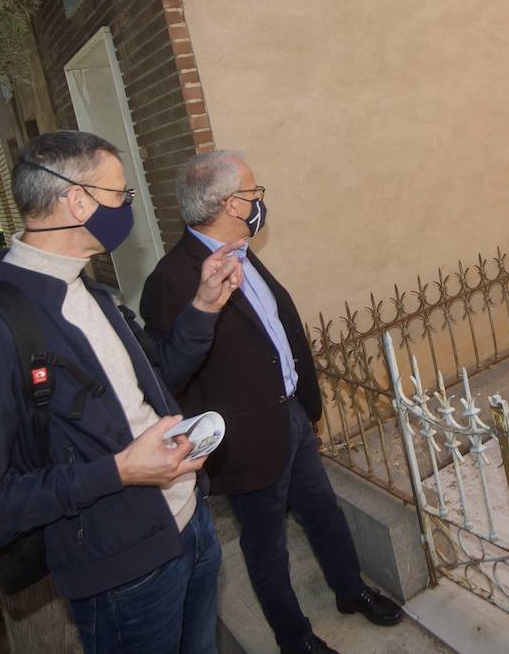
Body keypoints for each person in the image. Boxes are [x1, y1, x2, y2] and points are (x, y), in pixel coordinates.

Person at [0, 130, 245, 653]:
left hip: (191, 527)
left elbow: (157, 381)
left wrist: (206, 304)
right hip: (125, 577)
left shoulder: (89, 288)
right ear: (79, 200)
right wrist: (119, 471)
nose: (127, 207)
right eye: (121, 194)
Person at [141, 150, 403, 654]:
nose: (261, 201)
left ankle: (350, 592)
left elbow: (276, 333)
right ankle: (295, 639)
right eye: (254, 193)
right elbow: (170, 376)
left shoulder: (241, 250)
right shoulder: (172, 280)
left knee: (323, 512)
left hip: (292, 418)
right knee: (267, 549)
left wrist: (305, 405)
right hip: (246, 442)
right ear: (230, 204)